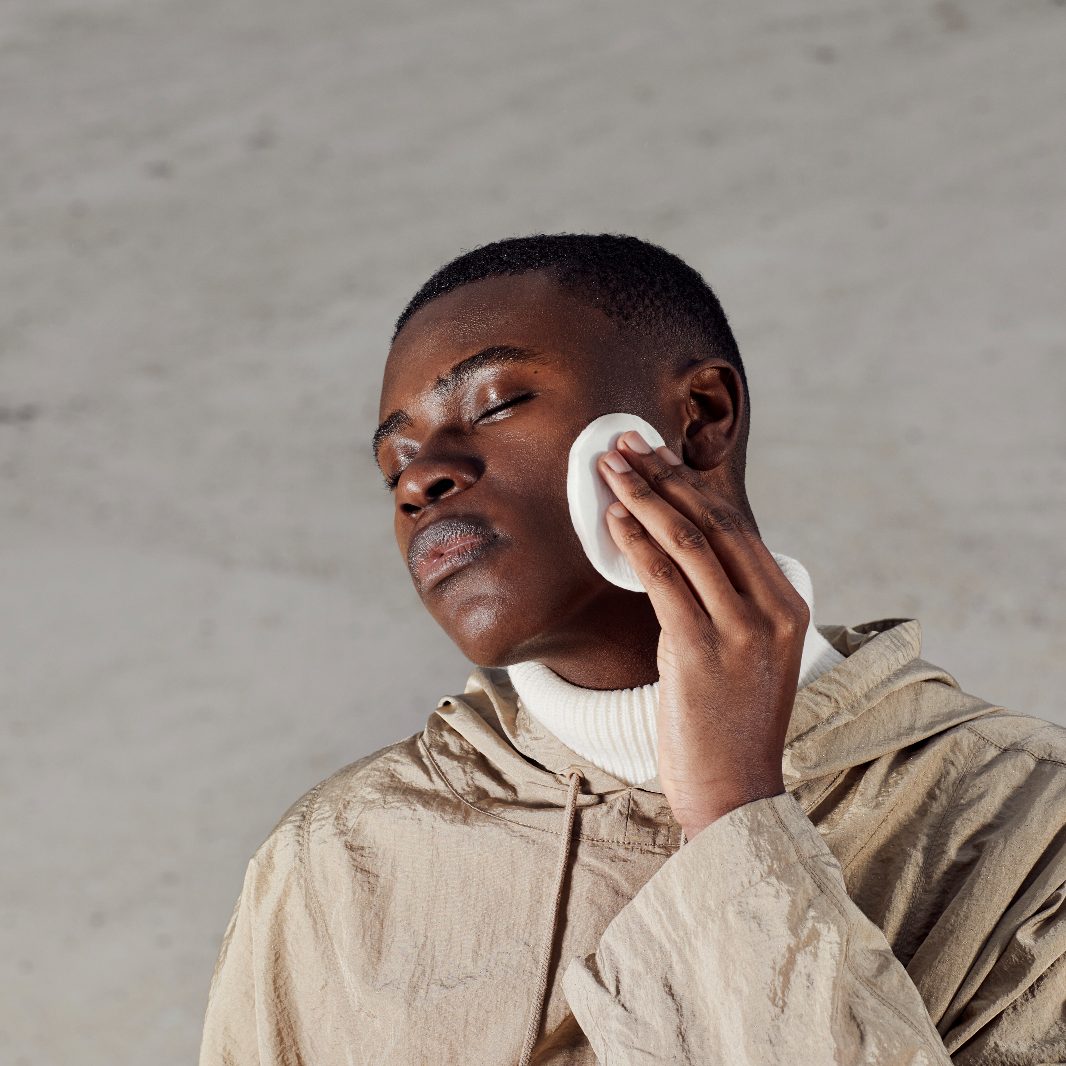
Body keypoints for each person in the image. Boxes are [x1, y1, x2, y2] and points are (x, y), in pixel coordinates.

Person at [198, 234, 1066, 1065]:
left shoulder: (1029, 826)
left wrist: (734, 814)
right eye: (395, 468)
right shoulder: (335, 856)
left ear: (700, 417)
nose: (423, 478)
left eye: (495, 404)